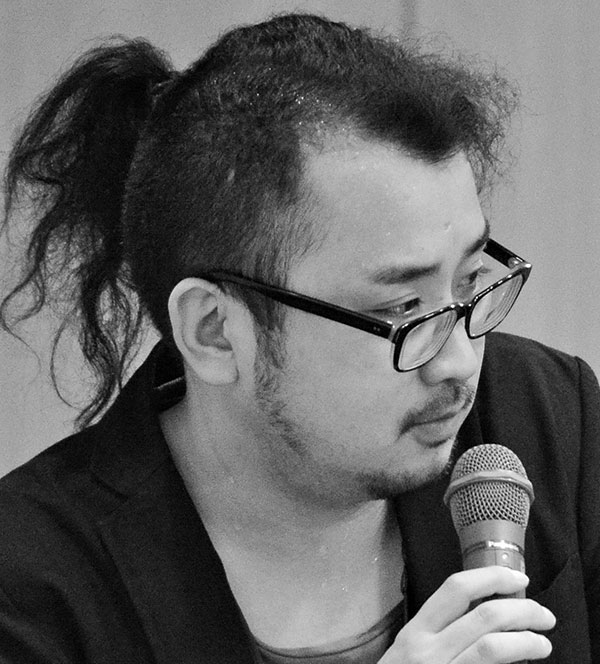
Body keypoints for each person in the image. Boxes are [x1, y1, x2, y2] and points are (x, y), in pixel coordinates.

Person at [0, 12, 598, 664]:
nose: (459, 361)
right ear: (215, 332)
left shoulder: (548, 415)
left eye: (471, 279)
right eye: (401, 310)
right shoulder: (32, 588)